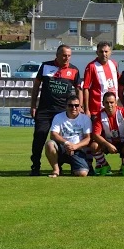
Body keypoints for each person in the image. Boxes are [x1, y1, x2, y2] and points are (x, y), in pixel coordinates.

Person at [29, 44, 82, 177]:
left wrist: (79, 106)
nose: (67, 58)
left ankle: (59, 166)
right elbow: (36, 86)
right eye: (64, 55)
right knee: (39, 137)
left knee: (61, 140)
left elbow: (79, 90)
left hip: (63, 112)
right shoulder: (45, 66)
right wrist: (33, 106)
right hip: (44, 110)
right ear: (57, 55)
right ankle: (35, 166)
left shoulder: (74, 70)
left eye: (69, 55)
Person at [89, 91, 124, 176]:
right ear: (103, 103)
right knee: (94, 146)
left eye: (111, 102)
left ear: (116, 103)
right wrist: (108, 145)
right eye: (107, 102)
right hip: (108, 142)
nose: (109, 105)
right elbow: (95, 135)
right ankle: (105, 166)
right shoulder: (99, 115)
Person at [45, 94, 93, 177]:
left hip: (77, 150)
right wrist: (66, 143)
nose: (74, 108)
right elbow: (53, 134)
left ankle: (75, 168)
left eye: (76, 105)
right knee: (50, 144)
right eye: (70, 105)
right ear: (66, 106)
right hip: (62, 148)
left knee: (82, 173)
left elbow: (87, 138)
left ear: (80, 106)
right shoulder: (58, 117)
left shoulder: (85, 119)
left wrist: (75, 146)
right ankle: (56, 170)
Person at [82, 41, 119, 116]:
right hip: (97, 110)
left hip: (112, 108)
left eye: (106, 51)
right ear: (97, 53)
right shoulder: (91, 66)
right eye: (101, 52)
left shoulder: (114, 64)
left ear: (110, 52)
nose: (104, 54)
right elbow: (86, 88)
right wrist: (87, 109)